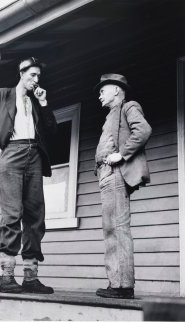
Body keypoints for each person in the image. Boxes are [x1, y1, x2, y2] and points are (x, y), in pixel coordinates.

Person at [0, 57, 57, 294]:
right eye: (33, 75)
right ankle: (6, 276)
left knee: (35, 215)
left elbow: (51, 129)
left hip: (34, 155)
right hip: (11, 153)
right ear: (21, 72)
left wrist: (44, 102)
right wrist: (0, 153)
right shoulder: (2, 94)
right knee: (12, 213)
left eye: (39, 76)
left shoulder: (36, 101)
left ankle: (30, 277)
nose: (36, 80)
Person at [94, 73, 152, 299]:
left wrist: (122, 154)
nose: (99, 95)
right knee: (110, 228)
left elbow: (143, 130)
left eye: (102, 90)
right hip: (106, 174)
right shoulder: (110, 116)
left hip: (117, 172)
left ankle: (123, 285)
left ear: (116, 90)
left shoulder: (129, 107)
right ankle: (116, 283)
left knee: (118, 228)